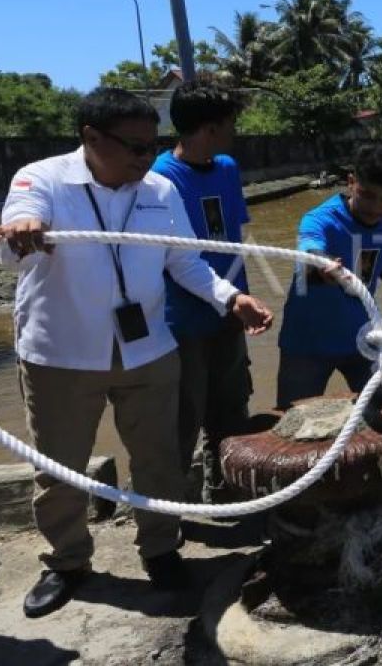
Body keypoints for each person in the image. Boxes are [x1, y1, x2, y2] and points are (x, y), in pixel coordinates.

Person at [0, 88, 273, 618]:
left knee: (160, 457)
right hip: (61, 356)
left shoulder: (160, 190)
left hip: (149, 350)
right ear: (90, 138)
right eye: (135, 148)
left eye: (151, 146)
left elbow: (184, 263)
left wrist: (230, 298)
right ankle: (68, 561)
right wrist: (20, 232)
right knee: (60, 468)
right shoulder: (41, 180)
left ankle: (161, 550)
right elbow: (9, 247)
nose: (147, 159)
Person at [151, 77, 253, 501]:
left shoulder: (227, 169)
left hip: (232, 311)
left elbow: (234, 235)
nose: (234, 132)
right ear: (210, 128)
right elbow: (168, 261)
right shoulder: (159, 179)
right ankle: (167, 512)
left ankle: (225, 496)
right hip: (183, 322)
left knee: (230, 410)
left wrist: (240, 299)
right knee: (181, 417)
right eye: (229, 123)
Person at [276, 143, 382, 409]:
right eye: (367, 195)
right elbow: (309, 251)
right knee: (294, 421)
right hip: (308, 343)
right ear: (351, 182)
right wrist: (324, 264)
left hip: (362, 338)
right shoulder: (319, 220)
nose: (376, 208)